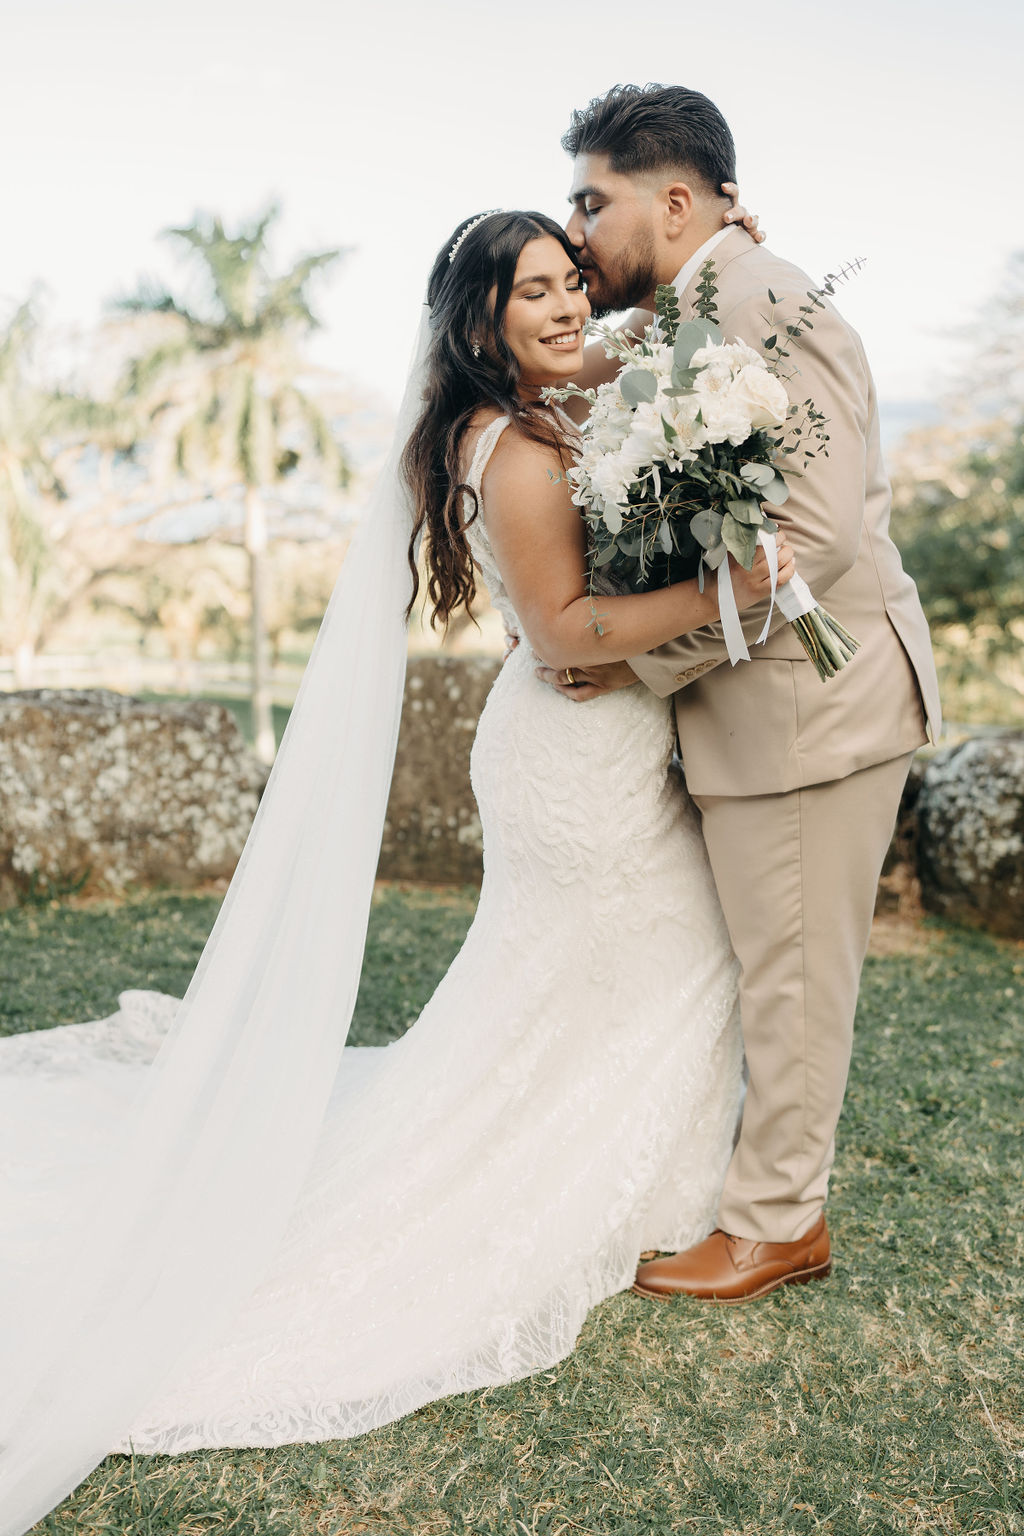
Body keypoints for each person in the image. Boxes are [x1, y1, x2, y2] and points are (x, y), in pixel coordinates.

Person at [0, 198, 784, 1533]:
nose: (560, 310)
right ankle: (592, 1178)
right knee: (647, 963)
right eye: (530, 290)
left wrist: (715, 281)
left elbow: (637, 357)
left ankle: (651, 1171)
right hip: (575, 755)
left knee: (593, 983)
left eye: (566, 285)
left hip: (580, 757)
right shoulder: (520, 456)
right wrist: (736, 593)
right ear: (478, 319)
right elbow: (567, 636)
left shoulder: (520, 410)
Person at [535, 84, 942, 1303]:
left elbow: (805, 539)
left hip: (814, 715)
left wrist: (640, 656)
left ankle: (777, 1224)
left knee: (796, 979)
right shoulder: (702, 301)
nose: (573, 232)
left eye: (590, 201)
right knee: (772, 967)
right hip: (769, 712)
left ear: (673, 201)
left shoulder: (760, 301)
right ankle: (762, 1201)